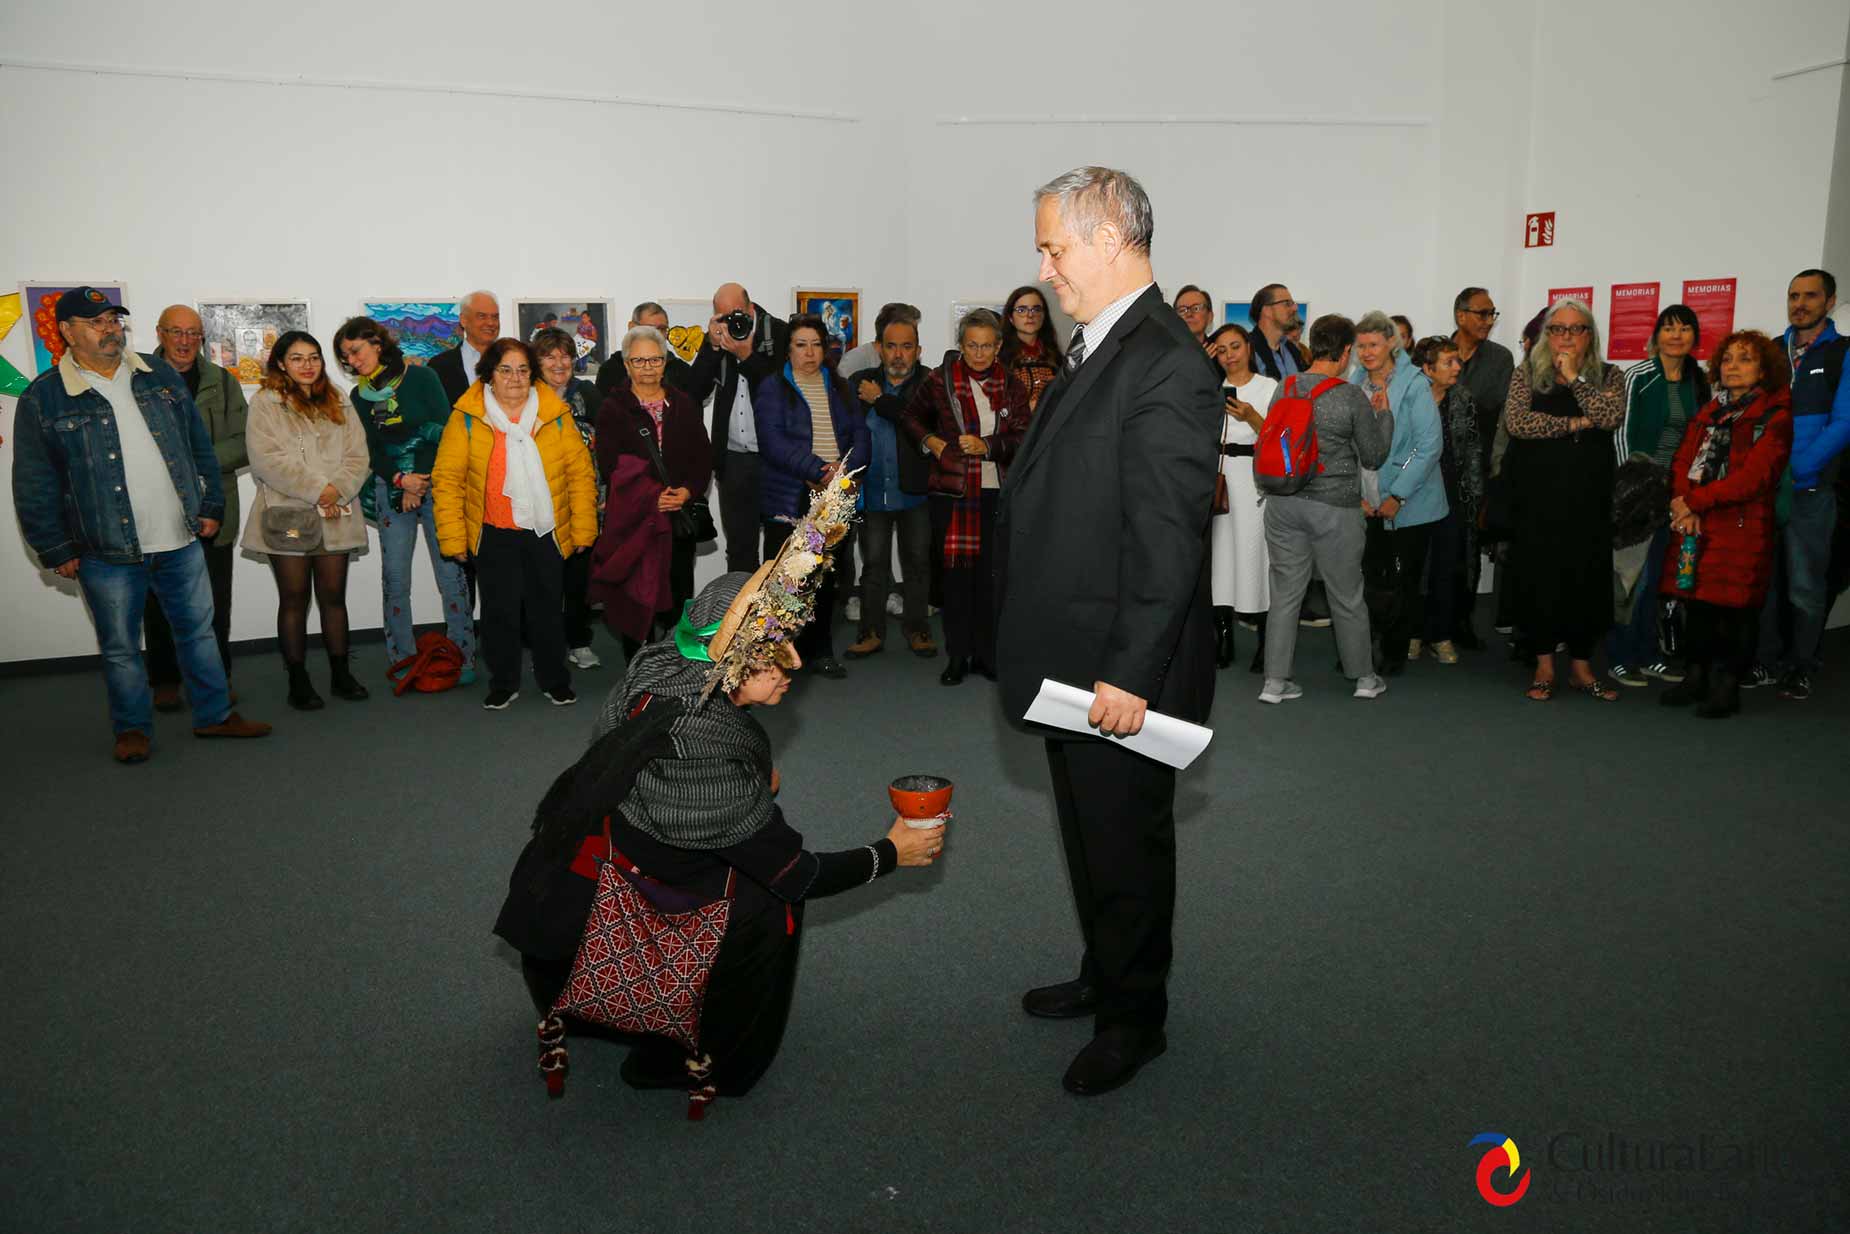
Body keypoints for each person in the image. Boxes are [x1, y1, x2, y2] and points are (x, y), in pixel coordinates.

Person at [494, 481, 945, 1110]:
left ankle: (630, 1015)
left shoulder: (660, 662)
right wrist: (891, 853)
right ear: (730, 660)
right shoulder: (702, 752)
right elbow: (800, 873)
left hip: (571, 891)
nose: (793, 665)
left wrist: (749, 780)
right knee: (772, 906)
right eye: (772, 656)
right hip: (607, 913)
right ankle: (691, 1062)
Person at [996, 166, 1219, 1097]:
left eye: (1054, 249)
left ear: (1109, 239)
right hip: (1072, 654)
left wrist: (1130, 673)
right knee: (1091, 835)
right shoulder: (1103, 343)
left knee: (1127, 844)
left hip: (1119, 669)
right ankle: (1105, 971)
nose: (1044, 270)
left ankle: (1137, 1019)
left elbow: (1166, 540)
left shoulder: (1167, 359)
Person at [11, 287, 270, 761]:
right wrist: (54, 546)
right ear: (67, 332)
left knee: (199, 633)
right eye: (96, 322)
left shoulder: (158, 377)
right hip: (104, 550)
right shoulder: (44, 397)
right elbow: (34, 480)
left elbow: (198, 447)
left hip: (180, 539)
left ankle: (214, 715)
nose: (110, 329)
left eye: (113, 320)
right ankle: (132, 729)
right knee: (121, 648)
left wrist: (211, 505)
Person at [433, 337, 598, 710]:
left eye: (523, 370)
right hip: (492, 532)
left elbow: (580, 475)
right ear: (489, 374)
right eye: (505, 369)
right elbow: (447, 480)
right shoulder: (467, 417)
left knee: (547, 611)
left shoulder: (554, 414)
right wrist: (453, 537)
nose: (515, 378)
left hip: (545, 532)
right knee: (499, 613)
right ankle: (503, 682)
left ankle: (554, 679)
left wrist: (584, 528)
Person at [333, 315, 477, 686]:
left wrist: (418, 482)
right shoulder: (359, 396)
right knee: (395, 578)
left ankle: (463, 656)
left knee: (451, 575)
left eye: (355, 351)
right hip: (390, 487)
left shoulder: (423, 377)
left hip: (435, 485)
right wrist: (400, 480)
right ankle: (403, 657)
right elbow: (371, 450)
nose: (352, 361)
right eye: (345, 357)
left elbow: (445, 433)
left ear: (377, 343)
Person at [1257, 314, 1394, 702]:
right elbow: (1373, 456)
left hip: (1283, 503)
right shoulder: (1350, 396)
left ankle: (1274, 682)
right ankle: (1364, 678)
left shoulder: (1285, 386)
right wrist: (1383, 415)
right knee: (1346, 594)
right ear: (1346, 351)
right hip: (1335, 507)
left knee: (1285, 594)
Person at [1658, 331, 1793, 718]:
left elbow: (1753, 479)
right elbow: (1683, 461)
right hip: (1697, 524)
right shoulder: (1709, 411)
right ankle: (1695, 677)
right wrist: (1682, 503)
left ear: (1764, 370)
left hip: (1742, 526)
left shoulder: (1776, 416)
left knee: (1735, 612)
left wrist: (1694, 501)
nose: (1733, 366)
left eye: (1745, 359)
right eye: (1728, 359)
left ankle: (1726, 686)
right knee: (1697, 606)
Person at [242, 331, 373, 710]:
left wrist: (337, 489)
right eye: (297, 358)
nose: (307, 365)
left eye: (314, 357)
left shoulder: (339, 398)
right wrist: (319, 490)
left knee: (333, 597)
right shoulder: (265, 403)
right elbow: (266, 461)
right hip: (288, 512)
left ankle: (341, 674)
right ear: (281, 364)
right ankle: (298, 679)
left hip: (336, 512)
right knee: (294, 599)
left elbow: (358, 455)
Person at [1504, 299, 1627, 701]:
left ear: (1590, 335)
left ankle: (1581, 667)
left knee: (1585, 578)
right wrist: (1575, 423)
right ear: (1546, 335)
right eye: (1558, 329)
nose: (1567, 337)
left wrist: (1575, 378)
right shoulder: (1526, 374)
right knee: (1540, 576)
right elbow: (1518, 422)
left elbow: (1609, 417)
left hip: (1588, 496)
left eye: (1576, 329)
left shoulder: (1610, 375)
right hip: (1538, 495)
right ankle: (1543, 665)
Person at [901, 308, 1030, 685]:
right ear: (960, 345)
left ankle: (987, 655)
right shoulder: (940, 380)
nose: (979, 353)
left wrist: (988, 446)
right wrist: (933, 442)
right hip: (952, 493)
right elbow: (910, 417)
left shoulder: (1011, 385)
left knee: (990, 579)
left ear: (999, 347)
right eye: (972, 345)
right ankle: (957, 656)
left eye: (987, 346)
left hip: (996, 493)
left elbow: (1023, 436)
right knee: (956, 581)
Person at [753, 314, 869, 680]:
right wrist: (818, 470)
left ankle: (821, 651)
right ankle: (776, 655)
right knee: (784, 580)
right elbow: (772, 442)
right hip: (790, 494)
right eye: (801, 345)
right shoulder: (773, 387)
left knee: (824, 578)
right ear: (788, 350)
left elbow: (861, 435)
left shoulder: (841, 387)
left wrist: (842, 472)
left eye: (816, 345)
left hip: (834, 496)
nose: (809, 352)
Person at [1753, 268, 1850, 700]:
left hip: (1810, 491)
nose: (1800, 304)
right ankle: (1764, 660)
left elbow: (1844, 422)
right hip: (1764, 491)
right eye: (1794, 296)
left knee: (1806, 586)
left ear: (1829, 302)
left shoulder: (1843, 352)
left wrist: (1798, 469)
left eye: (1810, 296)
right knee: (1763, 582)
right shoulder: (1772, 351)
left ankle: (1801, 665)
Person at [145, 304, 247, 708]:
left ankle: (217, 678)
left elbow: (243, 442)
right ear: (160, 334)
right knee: (158, 602)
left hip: (213, 508)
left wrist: (190, 462)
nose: (185, 341)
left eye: (193, 333)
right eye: (176, 332)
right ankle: (165, 680)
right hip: (157, 511)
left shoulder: (222, 382)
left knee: (215, 603)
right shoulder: (137, 377)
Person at [594, 326, 712, 657]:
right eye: (639, 360)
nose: (648, 367)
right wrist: (650, 497)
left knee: (677, 594)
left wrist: (687, 491)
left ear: (665, 362)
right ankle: (638, 669)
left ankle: (676, 665)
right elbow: (611, 466)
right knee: (636, 598)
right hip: (635, 520)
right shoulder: (613, 409)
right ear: (626, 365)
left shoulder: (683, 405)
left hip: (677, 517)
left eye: (655, 359)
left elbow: (702, 458)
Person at [1609, 305, 1709, 686]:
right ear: (1656, 335)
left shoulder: (1698, 381)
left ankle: (1649, 653)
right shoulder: (1637, 375)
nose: (1676, 335)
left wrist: (1688, 493)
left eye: (1684, 329)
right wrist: (1633, 488)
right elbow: (1620, 433)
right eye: (1668, 328)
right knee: (1630, 578)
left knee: (1660, 579)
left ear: (1695, 337)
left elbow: (1701, 440)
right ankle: (1620, 656)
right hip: (1637, 494)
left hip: (1676, 496)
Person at [1354, 311, 1447, 675]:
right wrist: (1356, 495)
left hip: (1411, 503)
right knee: (1366, 579)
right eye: (1361, 346)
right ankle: (1361, 650)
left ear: (1391, 343)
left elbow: (1428, 446)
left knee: (1403, 581)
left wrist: (1398, 495)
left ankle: (1392, 654)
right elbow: (1344, 443)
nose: (1366, 352)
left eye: (1373, 344)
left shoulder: (1414, 384)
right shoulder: (1355, 382)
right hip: (1364, 502)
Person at [844, 304, 936, 660]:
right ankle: (870, 632)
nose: (899, 354)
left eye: (907, 346)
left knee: (918, 565)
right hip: (872, 492)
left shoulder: (930, 383)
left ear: (918, 350)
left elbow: (917, 423)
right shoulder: (858, 383)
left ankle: (918, 629)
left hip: (915, 493)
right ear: (879, 348)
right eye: (892, 346)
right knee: (873, 566)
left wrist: (880, 401)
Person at [685, 284, 791, 573]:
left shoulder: (780, 335)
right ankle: (739, 603)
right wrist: (711, 346)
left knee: (781, 549)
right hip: (733, 461)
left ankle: (774, 605)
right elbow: (693, 393)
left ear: (751, 309)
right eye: (723, 316)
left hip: (777, 462)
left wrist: (747, 356)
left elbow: (785, 394)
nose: (732, 322)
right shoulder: (718, 341)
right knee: (740, 549)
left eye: (737, 314)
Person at [534, 326, 609, 671]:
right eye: (549, 356)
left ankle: (579, 641)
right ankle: (546, 647)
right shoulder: (525, 398)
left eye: (565, 355)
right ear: (537, 362)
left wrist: (605, 493)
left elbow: (608, 447)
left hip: (583, 502)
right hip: (540, 503)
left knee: (578, 578)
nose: (559, 363)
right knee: (543, 581)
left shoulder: (588, 394)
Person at [1205, 323, 1276, 672]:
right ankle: (1224, 637)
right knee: (1220, 558)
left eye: (1235, 346)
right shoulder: (1209, 388)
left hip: (1253, 478)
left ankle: (1266, 641)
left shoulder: (1269, 387)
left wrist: (1251, 416)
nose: (1229, 355)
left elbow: (1278, 438)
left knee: (1255, 556)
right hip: (1219, 479)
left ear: (1248, 347)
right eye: (1221, 350)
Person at [1410, 335, 1482, 664]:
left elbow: (1473, 450)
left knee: (1446, 565)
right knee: (1415, 565)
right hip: (1413, 493)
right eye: (1448, 362)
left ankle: (1440, 635)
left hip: (1452, 494)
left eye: (1457, 361)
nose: (1456, 368)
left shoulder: (1463, 399)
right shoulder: (1408, 398)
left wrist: (1475, 497)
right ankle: (1412, 632)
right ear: (1427, 369)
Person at [1450, 287, 1514, 646]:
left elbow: (1496, 410)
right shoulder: (1437, 352)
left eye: (1492, 314)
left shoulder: (1500, 358)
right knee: (1435, 546)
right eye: (1482, 313)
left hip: (1479, 465)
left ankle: (1462, 622)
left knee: (1470, 548)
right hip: (1437, 464)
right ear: (1461, 316)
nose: (1489, 321)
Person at [594, 301, 694, 397]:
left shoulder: (680, 370)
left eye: (662, 329)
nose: (657, 334)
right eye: (649, 329)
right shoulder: (611, 369)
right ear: (632, 327)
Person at [430, 290, 501, 407]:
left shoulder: (512, 362)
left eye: (495, 317)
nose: (490, 323)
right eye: (482, 316)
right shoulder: (439, 366)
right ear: (463, 320)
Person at [1000, 285, 1065, 411]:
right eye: (1021, 310)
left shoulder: (1057, 359)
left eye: (1036, 309)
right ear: (1010, 318)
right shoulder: (999, 358)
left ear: (1044, 316)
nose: (1030, 315)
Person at [1248, 283, 1306, 380]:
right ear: (1267, 310)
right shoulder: (1247, 350)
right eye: (1287, 303)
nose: (1295, 308)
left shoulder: (1292, 350)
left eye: (1293, 304)